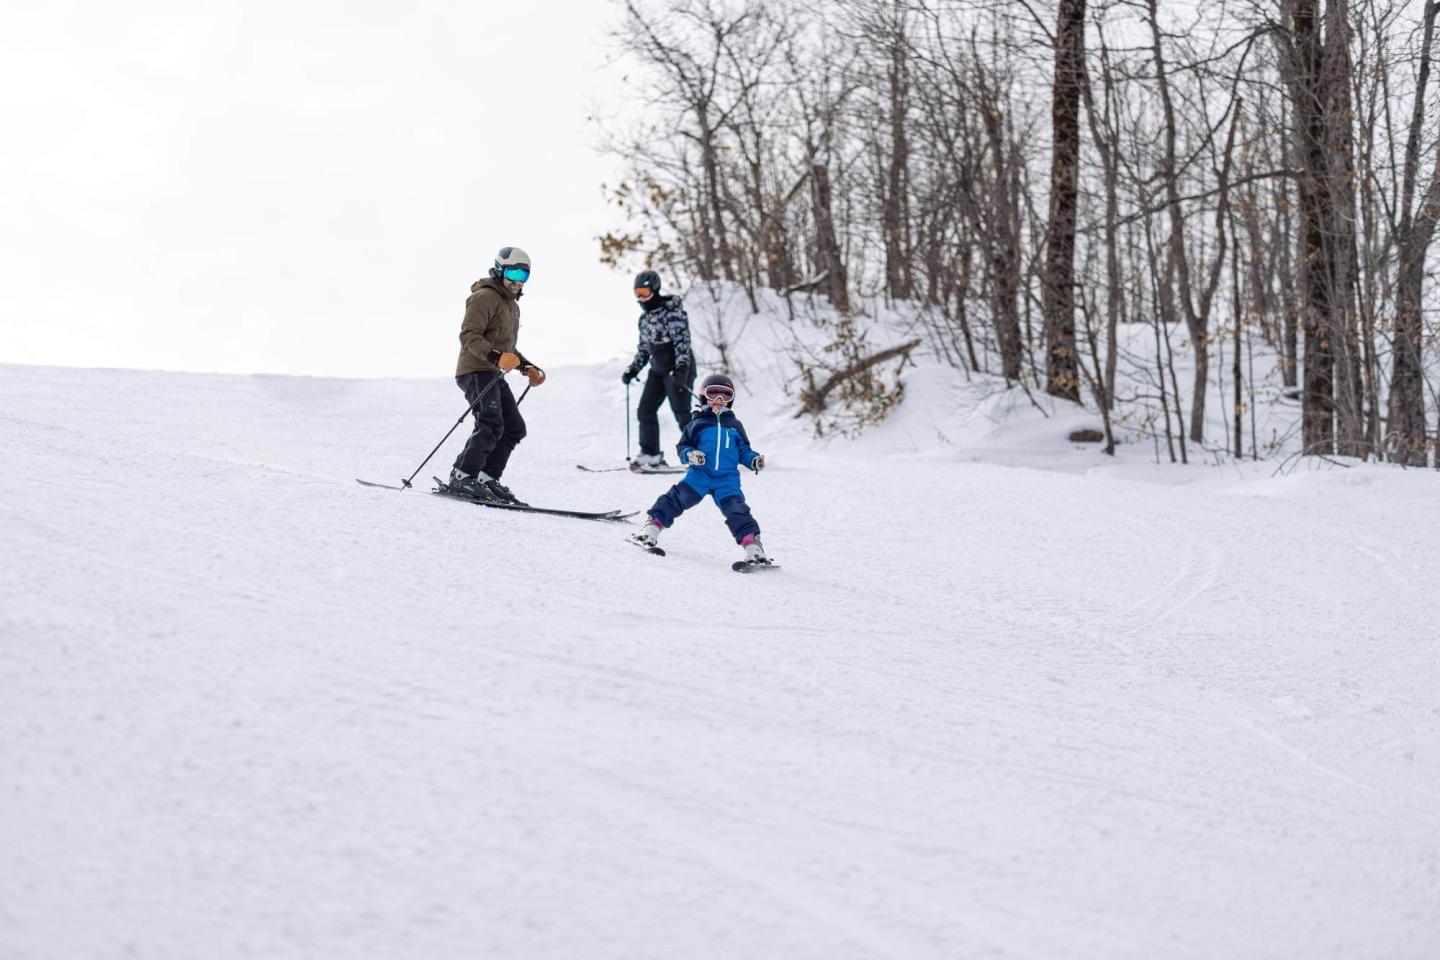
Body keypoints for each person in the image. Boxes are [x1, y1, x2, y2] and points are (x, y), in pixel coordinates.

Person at [633, 373, 770, 561]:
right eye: (714, 394)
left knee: (738, 511)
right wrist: (691, 455)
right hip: (700, 476)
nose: (719, 400)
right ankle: (651, 529)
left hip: (727, 481)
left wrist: (753, 460)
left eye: (725, 395)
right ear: (704, 396)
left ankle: (754, 549)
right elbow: (683, 446)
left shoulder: (735, 425)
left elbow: (744, 450)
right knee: (675, 499)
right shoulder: (697, 424)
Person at [449, 246, 546, 504]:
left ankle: (485, 476)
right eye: (513, 272)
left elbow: (508, 349)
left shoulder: (511, 306)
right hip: (475, 369)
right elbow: (469, 336)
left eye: (524, 275)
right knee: (491, 423)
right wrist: (495, 357)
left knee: (514, 428)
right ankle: (462, 475)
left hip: (492, 372)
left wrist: (526, 367)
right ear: (499, 269)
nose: (517, 281)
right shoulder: (484, 297)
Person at [621, 269, 693, 468]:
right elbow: (644, 349)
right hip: (658, 370)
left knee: (682, 412)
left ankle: (703, 455)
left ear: (655, 289)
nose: (641, 298)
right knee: (645, 410)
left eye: (644, 292)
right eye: (637, 294)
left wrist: (682, 369)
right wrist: (632, 370)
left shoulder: (672, 311)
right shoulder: (644, 320)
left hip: (677, 368)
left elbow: (682, 342)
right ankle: (650, 453)